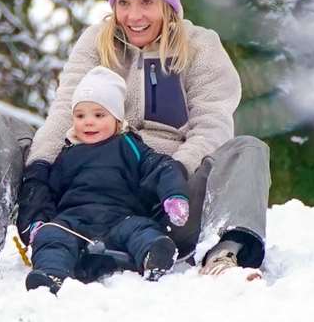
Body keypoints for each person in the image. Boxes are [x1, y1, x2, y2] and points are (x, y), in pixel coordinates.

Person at [0, 0, 269, 279]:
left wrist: (173, 175)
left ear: (168, 5)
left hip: (165, 200)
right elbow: (66, 111)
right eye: (124, 3)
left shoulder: (200, 47)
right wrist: (39, 172)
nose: (134, 16)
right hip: (86, 187)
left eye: (146, 2)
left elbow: (212, 124)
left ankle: (225, 255)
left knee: (247, 148)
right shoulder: (97, 42)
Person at [17, 66, 192, 293]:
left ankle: (154, 255)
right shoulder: (66, 154)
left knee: (143, 230)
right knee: (53, 235)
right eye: (80, 116)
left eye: (99, 115)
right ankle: (51, 273)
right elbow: (48, 192)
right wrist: (39, 222)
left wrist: (174, 195)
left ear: (117, 119)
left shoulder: (129, 146)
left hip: (121, 218)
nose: (88, 122)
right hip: (73, 220)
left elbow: (162, 168)